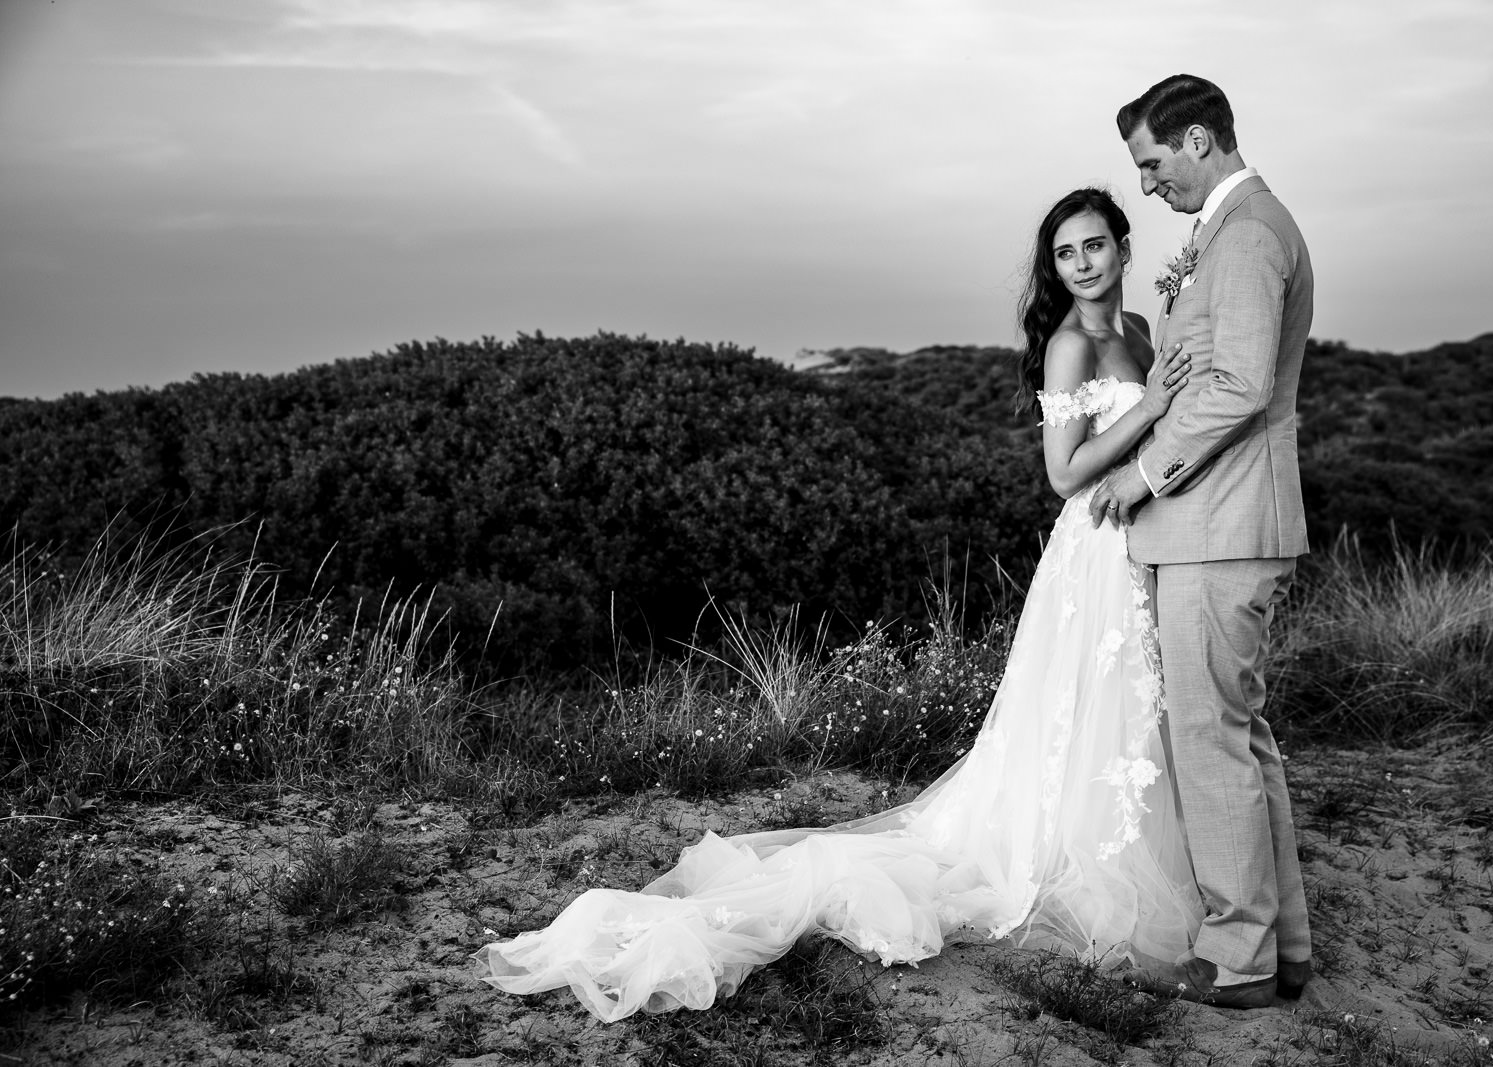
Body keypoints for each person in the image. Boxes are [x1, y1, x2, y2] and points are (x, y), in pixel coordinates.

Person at [473, 189, 1205, 1023]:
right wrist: (1149, 405)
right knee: (1084, 704)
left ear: (1122, 246)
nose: (1082, 263)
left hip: (1141, 538)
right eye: (1066, 252)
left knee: (1125, 708)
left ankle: (1120, 837)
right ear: (1057, 265)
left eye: (1095, 245)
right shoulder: (1070, 346)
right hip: (1092, 546)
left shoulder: (1143, 330)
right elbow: (1065, 474)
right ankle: (1079, 862)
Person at [1089, 74, 1314, 1009]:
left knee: (1208, 739)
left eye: (1149, 163)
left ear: (1194, 141)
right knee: (1242, 734)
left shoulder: (1252, 233)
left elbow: (1240, 386)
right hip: (1217, 525)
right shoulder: (1230, 232)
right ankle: (1284, 942)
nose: (1145, 185)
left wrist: (1141, 475)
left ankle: (1238, 959)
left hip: (1219, 529)